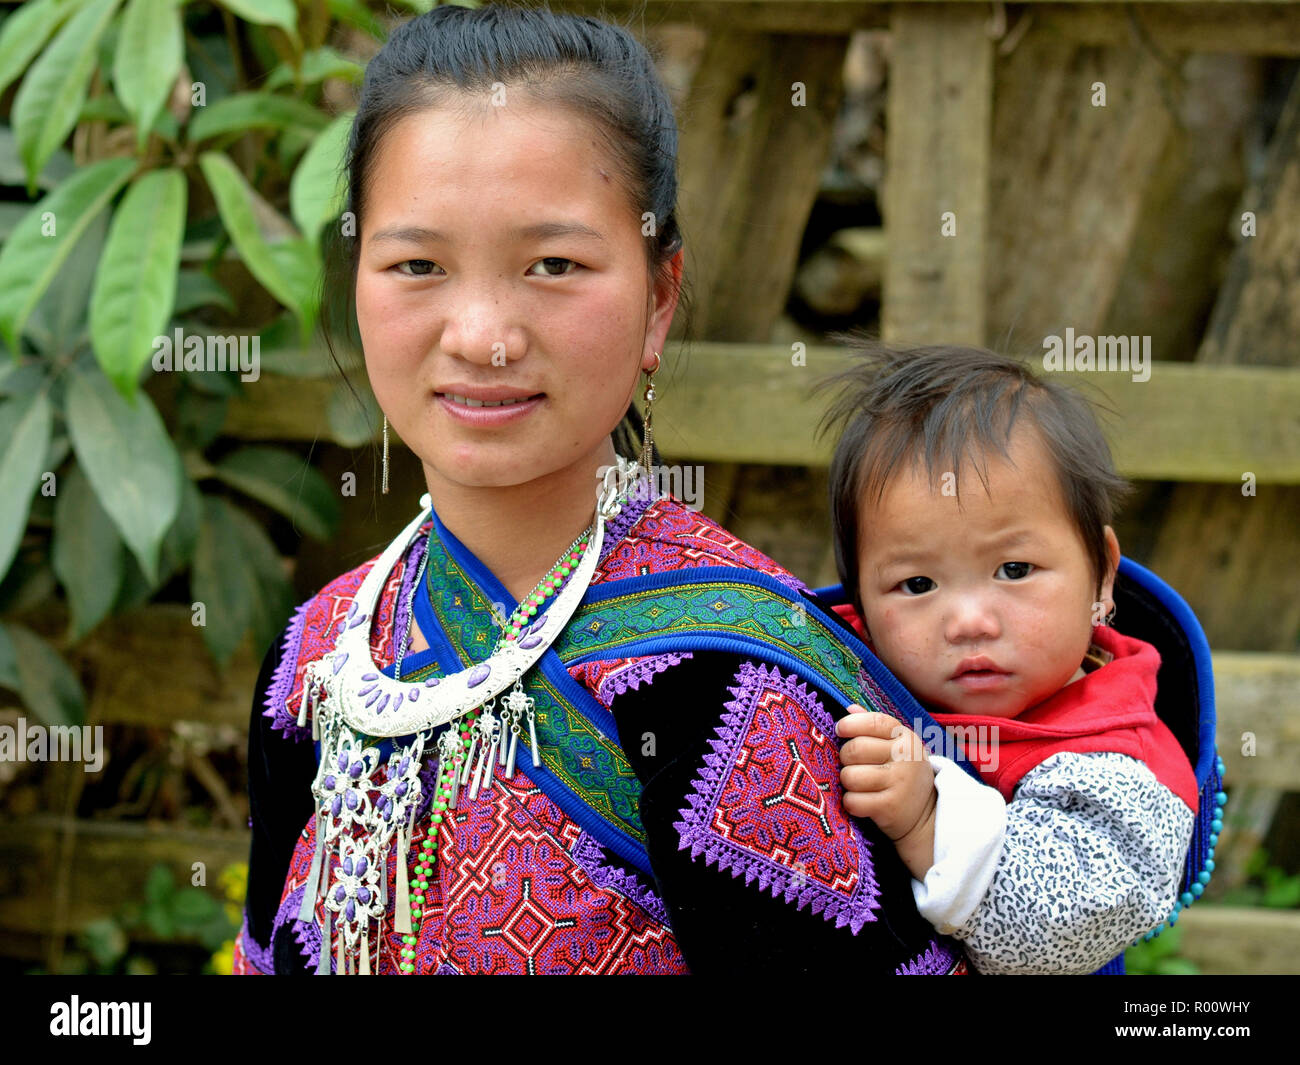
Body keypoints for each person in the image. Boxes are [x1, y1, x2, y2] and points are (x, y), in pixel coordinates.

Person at [232, 4, 969, 975]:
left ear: (659, 298)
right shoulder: (318, 664)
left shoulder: (727, 683)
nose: (482, 335)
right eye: (417, 264)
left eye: (553, 265)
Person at [814, 339, 1199, 974]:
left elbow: (1056, 928)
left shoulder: (1116, 757)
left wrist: (925, 821)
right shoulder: (830, 668)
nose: (969, 621)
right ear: (861, 602)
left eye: (1014, 569)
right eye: (916, 585)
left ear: (1102, 575)